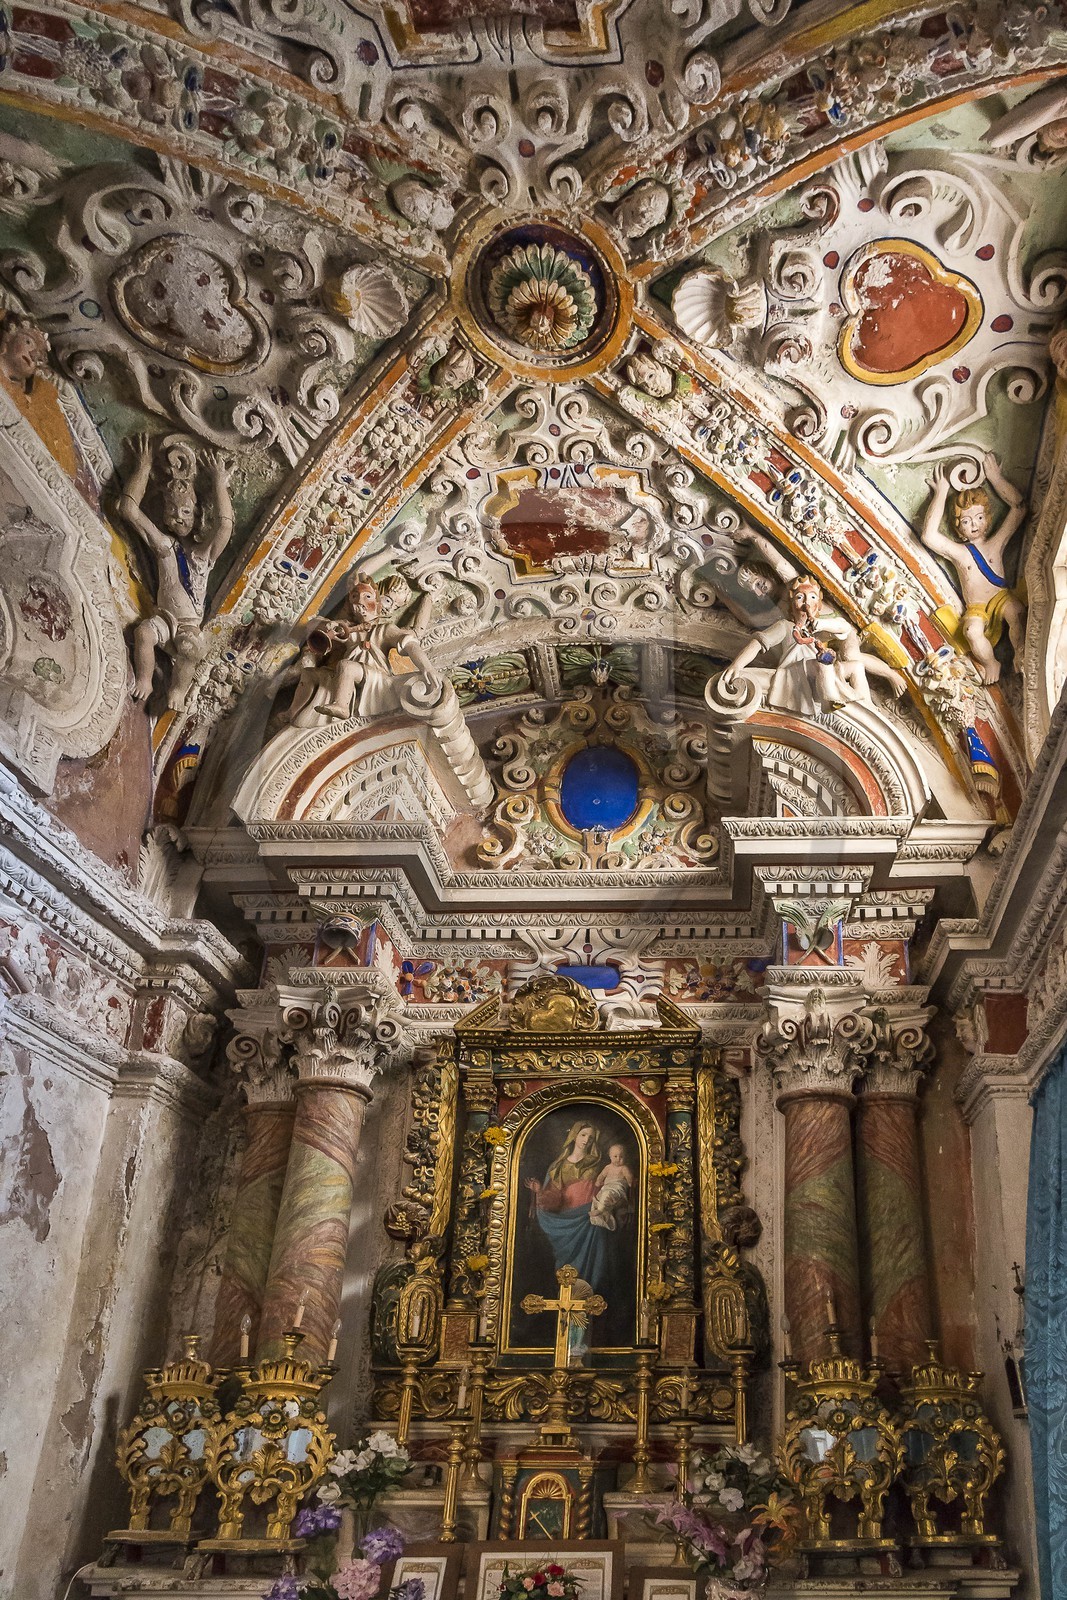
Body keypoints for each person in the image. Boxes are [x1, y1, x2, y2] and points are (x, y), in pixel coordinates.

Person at [722, 575, 905, 714]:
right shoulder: (786, 626)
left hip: (823, 675)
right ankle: (829, 700)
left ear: (818, 604)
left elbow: (845, 628)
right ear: (792, 605)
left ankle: (867, 709)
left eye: (812, 598)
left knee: (856, 666)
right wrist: (737, 665)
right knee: (820, 664)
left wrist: (822, 624)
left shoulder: (818, 630)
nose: (806, 603)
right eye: (800, 598)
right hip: (796, 673)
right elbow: (758, 642)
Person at [923, 454, 1027, 684]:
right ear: (958, 527)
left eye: (979, 517)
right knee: (971, 632)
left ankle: (1020, 652)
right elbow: (929, 536)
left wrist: (996, 479)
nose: (974, 524)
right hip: (976, 607)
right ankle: (991, 663)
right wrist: (941, 492)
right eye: (966, 521)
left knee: (1016, 612)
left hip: (1000, 597)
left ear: (987, 519)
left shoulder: (995, 543)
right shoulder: (960, 552)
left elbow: (1019, 508)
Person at [589, 1142, 634, 1231]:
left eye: (621, 1157)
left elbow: (629, 1177)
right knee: (600, 1196)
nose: (618, 1159)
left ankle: (600, 1210)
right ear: (610, 1157)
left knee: (607, 1194)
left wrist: (630, 1183)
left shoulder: (624, 1168)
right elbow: (601, 1175)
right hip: (607, 1187)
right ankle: (602, 1214)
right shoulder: (608, 1167)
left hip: (617, 1189)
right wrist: (598, 1181)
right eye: (615, 1156)